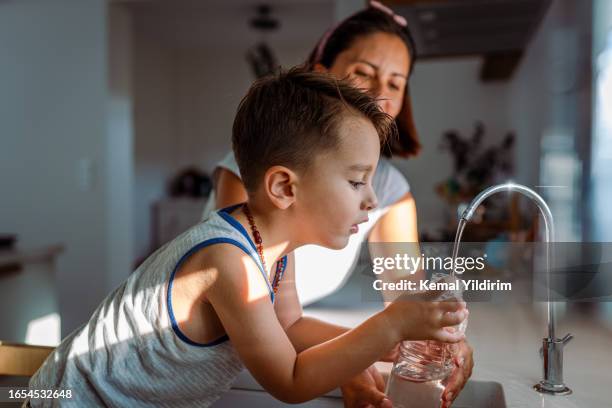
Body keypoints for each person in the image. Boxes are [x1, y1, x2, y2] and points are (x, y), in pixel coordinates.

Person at [26, 69, 467, 408]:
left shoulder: (269, 248)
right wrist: (388, 324)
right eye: (357, 182)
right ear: (284, 188)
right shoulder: (227, 261)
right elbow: (290, 380)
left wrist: (397, 341)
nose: (372, 200)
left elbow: (289, 327)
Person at [203, 2, 473, 407]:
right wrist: (367, 348)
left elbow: (407, 304)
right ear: (321, 73)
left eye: (396, 83)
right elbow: (279, 320)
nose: (381, 94)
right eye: (363, 73)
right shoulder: (253, 175)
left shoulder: (391, 190)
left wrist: (440, 338)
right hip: (228, 345)